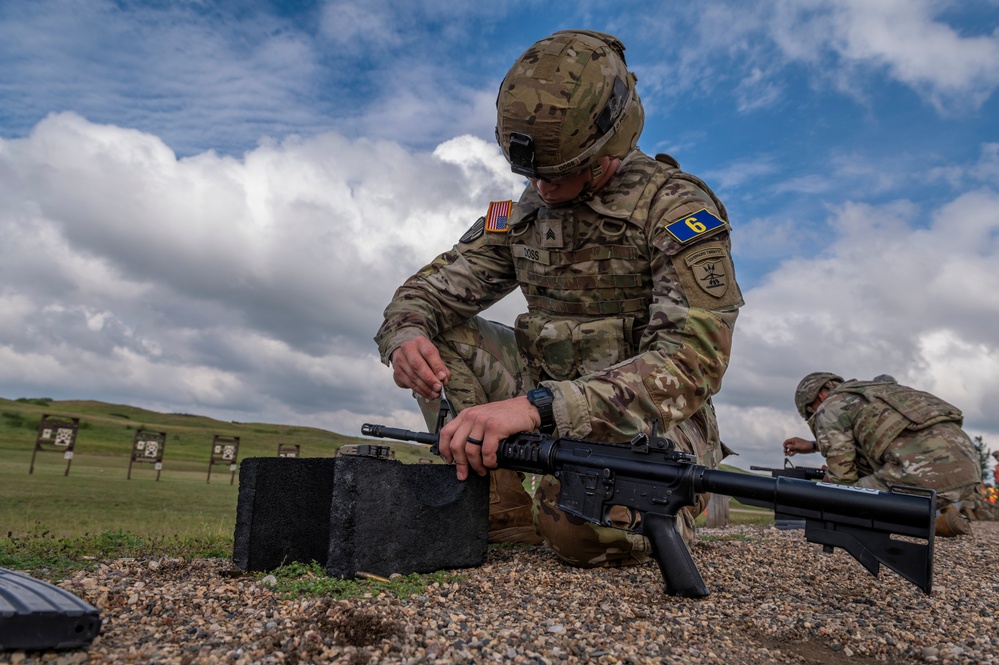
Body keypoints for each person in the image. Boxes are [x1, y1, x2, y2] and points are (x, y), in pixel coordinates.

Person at [375, 30, 743, 567]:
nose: (543, 189)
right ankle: (496, 506)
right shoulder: (525, 211)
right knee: (438, 335)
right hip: (543, 398)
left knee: (577, 532)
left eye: (562, 173)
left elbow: (692, 362)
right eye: (532, 175)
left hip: (646, 423)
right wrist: (405, 332)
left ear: (609, 148)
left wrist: (540, 409)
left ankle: (668, 506)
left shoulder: (674, 208)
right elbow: (427, 292)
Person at [783, 372, 982, 536]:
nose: (814, 417)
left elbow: (842, 478)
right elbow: (887, 434)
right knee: (869, 484)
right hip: (969, 470)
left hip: (925, 474)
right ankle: (941, 516)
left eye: (811, 412)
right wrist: (813, 445)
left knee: (847, 498)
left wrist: (829, 481)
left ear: (819, 397)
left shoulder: (830, 406)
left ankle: (930, 525)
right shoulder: (877, 392)